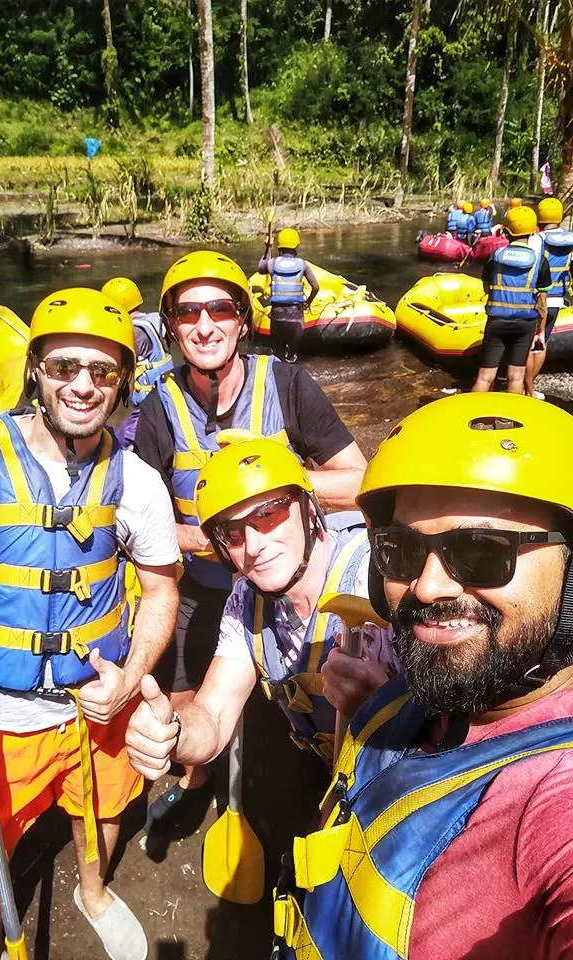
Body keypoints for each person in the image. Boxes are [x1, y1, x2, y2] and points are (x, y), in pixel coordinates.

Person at [0, 288, 180, 960]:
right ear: (37, 372)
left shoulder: (136, 482)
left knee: (103, 817)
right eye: (65, 366)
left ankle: (93, 892)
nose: (83, 385)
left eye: (103, 371)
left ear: (123, 384)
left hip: (96, 708)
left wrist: (132, 676)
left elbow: (160, 591)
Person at [273, 392, 573, 959]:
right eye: (399, 551)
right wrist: (359, 722)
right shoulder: (430, 690)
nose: (426, 587)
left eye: (482, 551)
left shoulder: (572, 798)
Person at [133, 250, 368, 823]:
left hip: (286, 574)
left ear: (242, 319)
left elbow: (364, 481)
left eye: (219, 309)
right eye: (188, 314)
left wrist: (279, 476)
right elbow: (143, 516)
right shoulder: (159, 410)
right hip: (204, 582)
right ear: (172, 328)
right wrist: (217, 542)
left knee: (312, 683)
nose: (204, 325)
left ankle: (332, 765)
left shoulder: (288, 385)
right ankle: (194, 771)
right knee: (191, 691)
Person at [125, 438, 397, 780]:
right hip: (333, 775)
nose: (254, 546)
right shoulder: (244, 603)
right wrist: (173, 733)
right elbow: (212, 717)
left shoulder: (377, 577)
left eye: (268, 514)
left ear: (309, 510)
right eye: (232, 533)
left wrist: (387, 710)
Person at [473, 205, 551, 394]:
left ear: (505, 231)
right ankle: (507, 419)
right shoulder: (540, 261)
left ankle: (474, 416)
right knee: (516, 377)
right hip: (525, 323)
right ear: (533, 232)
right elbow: (542, 303)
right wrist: (540, 331)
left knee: (485, 376)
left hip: (497, 321)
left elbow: (486, 287)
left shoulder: (495, 256)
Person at [101, 277, 174, 448]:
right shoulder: (156, 320)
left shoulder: (133, 332)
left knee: (121, 443)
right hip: (163, 392)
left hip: (144, 403)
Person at [525, 197, 573, 399]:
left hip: (537, 299)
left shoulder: (536, 239)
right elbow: (572, 269)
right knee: (542, 342)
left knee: (530, 343)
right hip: (557, 299)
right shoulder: (571, 239)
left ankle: (526, 388)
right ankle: (529, 385)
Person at [257, 227, 319, 363]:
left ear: (279, 246)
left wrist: (267, 248)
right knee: (292, 356)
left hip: (277, 317)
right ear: (297, 245)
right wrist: (308, 302)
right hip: (296, 317)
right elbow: (315, 287)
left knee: (277, 355)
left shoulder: (272, 263)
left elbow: (261, 267)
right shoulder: (303, 265)